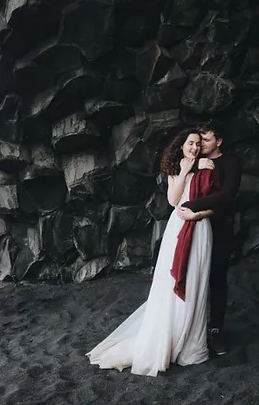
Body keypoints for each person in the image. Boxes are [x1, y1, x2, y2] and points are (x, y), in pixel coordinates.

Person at [86, 129, 219, 376]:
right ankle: (169, 338)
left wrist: (198, 211)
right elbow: (172, 199)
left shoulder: (207, 168)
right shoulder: (175, 168)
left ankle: (190, 343)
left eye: (198, 145)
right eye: (190, 143)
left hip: (200, 229)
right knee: (171, 285)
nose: (194, 148)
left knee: (197, 283)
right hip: (178, 226)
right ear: (182, 145)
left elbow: (215, 203)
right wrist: (187, 170)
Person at [176, 121, 242, 357]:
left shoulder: (230, 162)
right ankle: (191, 328)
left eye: (206, 140)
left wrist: (193, 207)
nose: (200, 144)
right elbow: (178, 177)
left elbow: (226, 196)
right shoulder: (194, 160)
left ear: (219, 141)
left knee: (216, 278)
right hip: (193, 229)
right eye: (198, 140)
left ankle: (215, 330)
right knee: (193, 276)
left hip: (219, 228)